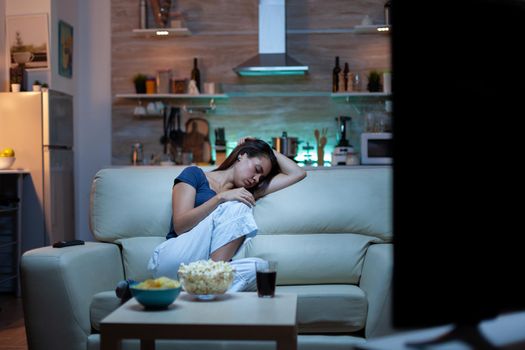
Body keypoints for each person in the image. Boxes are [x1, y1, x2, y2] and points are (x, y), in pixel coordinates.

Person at [148, 137, 306, 291]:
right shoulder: (195, 174)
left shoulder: (245, 191)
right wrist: (220, 198)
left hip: (197, 268)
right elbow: (180, 225)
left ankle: (202, 286)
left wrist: (267, 148)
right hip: (175, 257)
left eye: (261, 177)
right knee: (239, 204)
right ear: (242, 155)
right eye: (257, 170)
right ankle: (213, 279)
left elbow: (297, 173)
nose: (256, 179)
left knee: (259, 268)